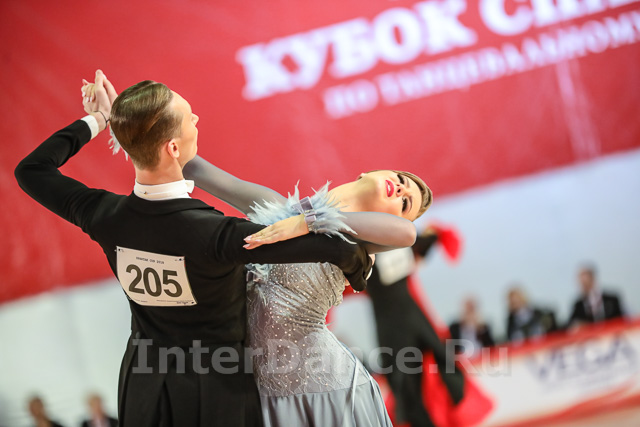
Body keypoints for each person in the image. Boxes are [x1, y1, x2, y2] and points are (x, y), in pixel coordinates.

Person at [15, 70, 372, 427]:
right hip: (218, 392)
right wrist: (358, 268)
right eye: (189, 117)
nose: (196, 119)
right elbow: (338, 250)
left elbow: (31, 169)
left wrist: (98, 119)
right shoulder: (215, 233)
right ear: (173, 148)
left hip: (142, 388)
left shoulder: (103, 215)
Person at [182, 156, 432, 426]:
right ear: (367, 172)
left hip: (325, 391)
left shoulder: (360, 242)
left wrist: (308, 222)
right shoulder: (276, 209)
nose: (401, 189)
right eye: (401, 180)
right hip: (263, 393)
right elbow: (197, 169)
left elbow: (407, 233)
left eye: (405, 203)